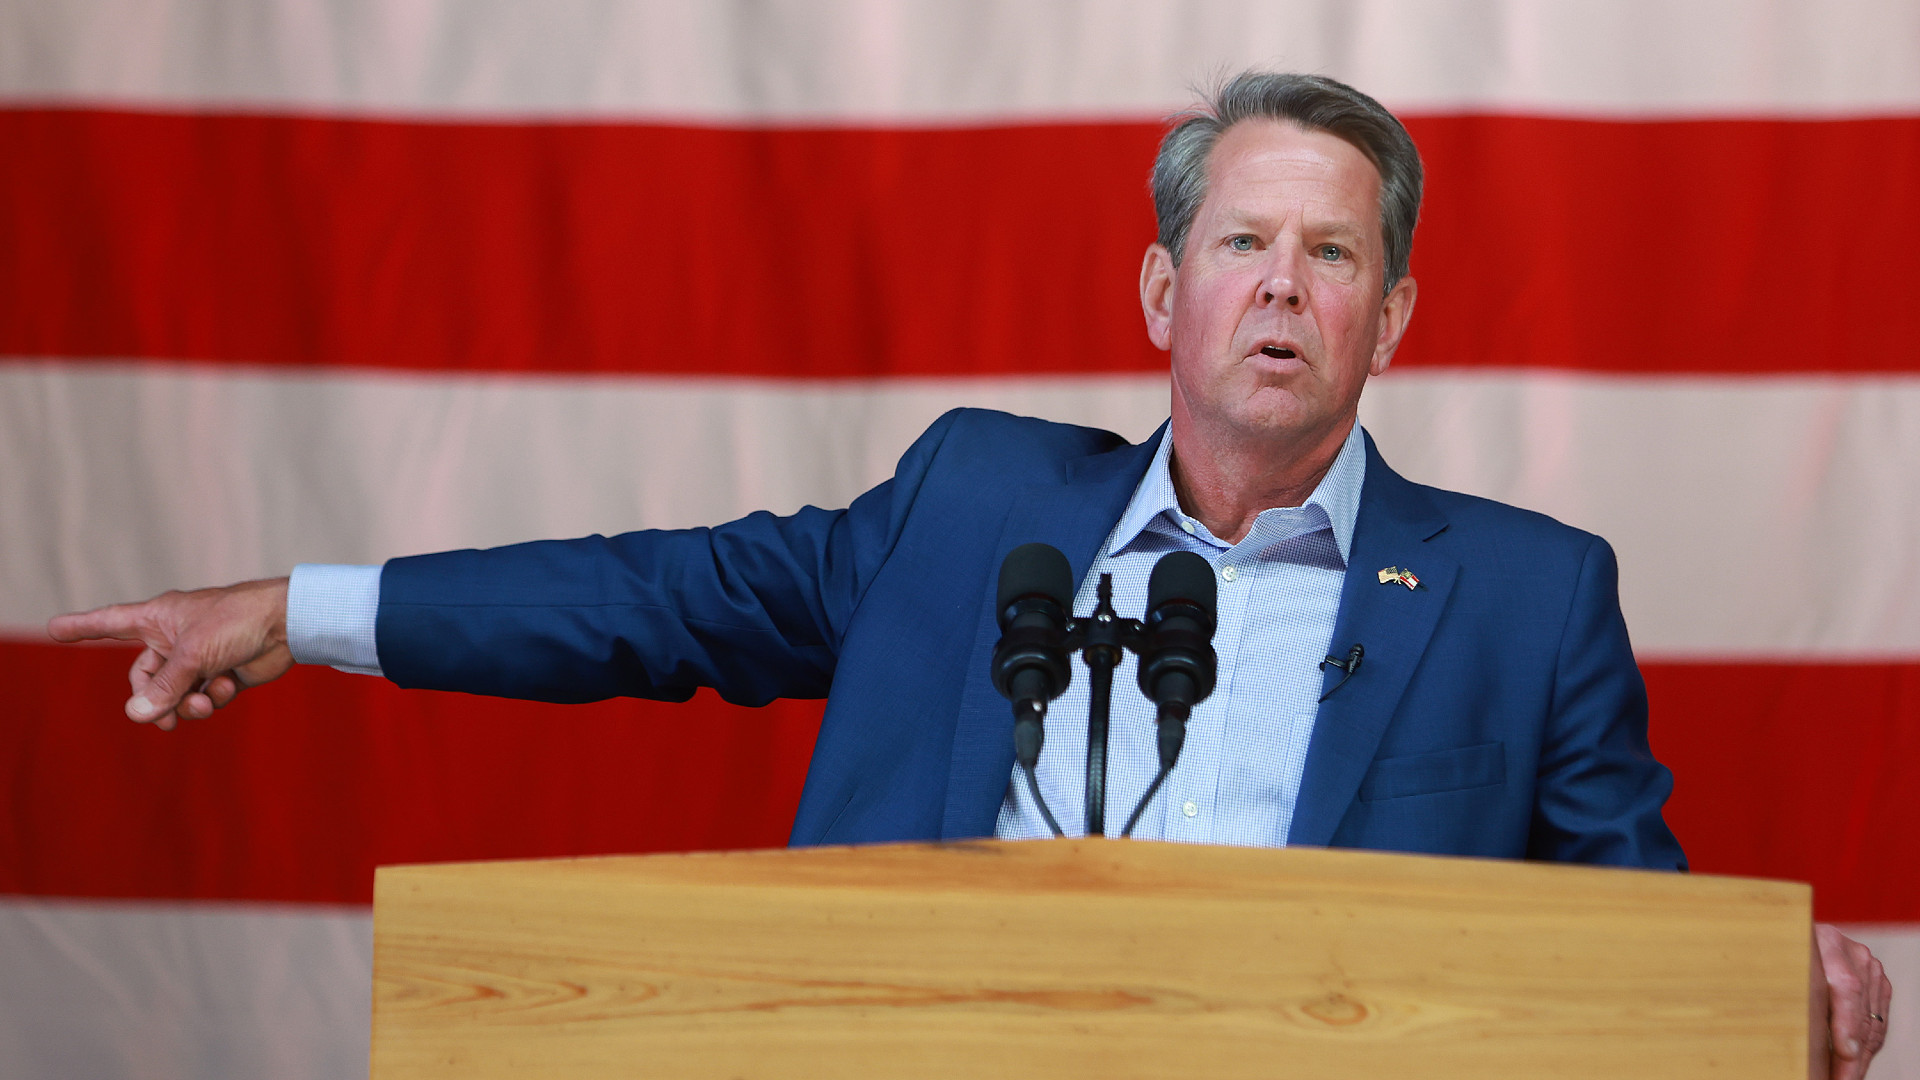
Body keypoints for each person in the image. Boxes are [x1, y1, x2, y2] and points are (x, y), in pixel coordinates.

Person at [48, 71, 1889, 1074]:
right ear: (1163, 297)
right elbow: (659, 598)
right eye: (1241, 240)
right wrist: (295, 610)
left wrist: (1757, 998)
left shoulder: (1525, 593)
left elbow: (1632, 932)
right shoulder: (973, 505)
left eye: (1333, 255)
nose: (1280, 284)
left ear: (1390, 316)